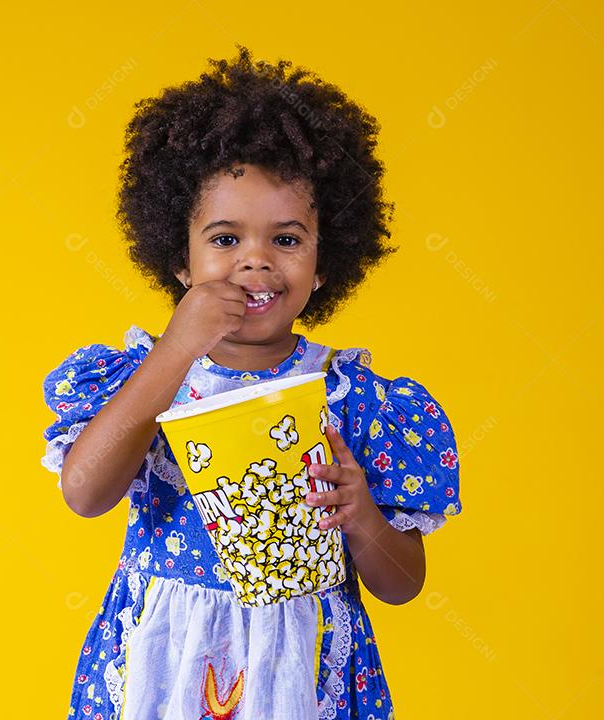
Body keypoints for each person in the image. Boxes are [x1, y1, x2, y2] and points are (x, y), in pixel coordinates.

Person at [41, 44, 463, 720]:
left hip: (303, 665)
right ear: (179, 259)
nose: (256, 261)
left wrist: (361, 516)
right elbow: (85, 492)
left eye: (287, 241)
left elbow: (403, 584)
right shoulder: (147, 376)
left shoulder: (352, 397)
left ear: (326, 264)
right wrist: (175, 349)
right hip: (165, 662)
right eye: (226, 239)